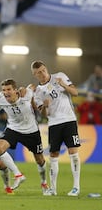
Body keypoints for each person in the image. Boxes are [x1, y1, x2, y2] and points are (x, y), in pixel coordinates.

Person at [31, 61, 81, 196]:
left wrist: (63, 85)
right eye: (38, 72)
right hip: (53, 124)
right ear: (34, 74)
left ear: (46, 68)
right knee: (53, 155)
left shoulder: (60, 76)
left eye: (43, 70)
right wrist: (46, 106)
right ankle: (53, 189)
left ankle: (76, 187)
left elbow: (75, 92)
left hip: (69, 120)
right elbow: (44, 115)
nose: (42, 73)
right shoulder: (38, 93)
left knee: (73, 152)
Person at [0, 79, 48, 194]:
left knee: (40, 160)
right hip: (13, 129)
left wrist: (25, 87)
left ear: (15, 90)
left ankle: (44, 182)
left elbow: (32, 86)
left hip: (31, 131)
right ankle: (18, 175)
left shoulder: (26, 95)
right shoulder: (0, 99)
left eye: (9, 89)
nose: (6, 92)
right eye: (4, 90)